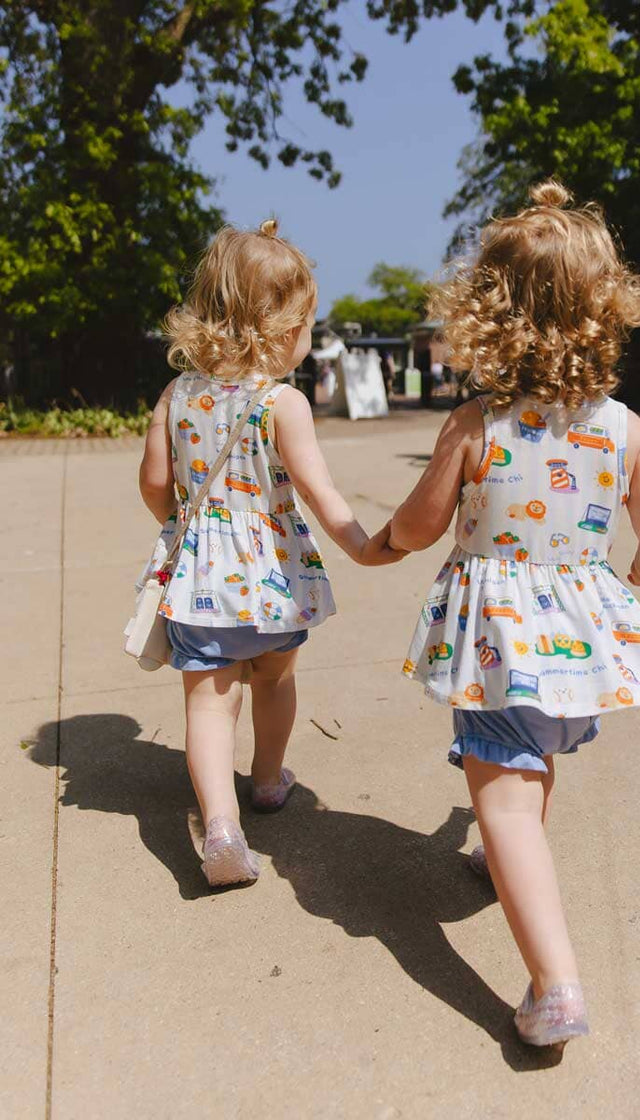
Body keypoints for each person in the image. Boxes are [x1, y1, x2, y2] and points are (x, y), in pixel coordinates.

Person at [388, 180, 640, 1048]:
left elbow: (417, 523)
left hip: (498, 645)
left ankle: (555, 985)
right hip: (579, 644)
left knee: (505, 800)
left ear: (488, 315)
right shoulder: (623, 426)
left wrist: (386, 541)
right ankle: (498, 859)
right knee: (530, 766)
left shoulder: (476, 422)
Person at [137, 218, 402, 888]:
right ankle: (265, 780)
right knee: (275, 679)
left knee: (207, 700)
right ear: (283, 329)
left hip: (200, 580)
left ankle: (220, 827)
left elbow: (153, 484)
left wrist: (183, 527)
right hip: (273, 582)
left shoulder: (176, 397)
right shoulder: (281, 402)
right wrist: (363, 546)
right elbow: (320, 493)